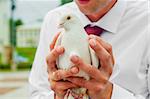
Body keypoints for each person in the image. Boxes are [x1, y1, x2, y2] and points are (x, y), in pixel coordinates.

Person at [29, 0, 150, 99]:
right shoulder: (54, 20)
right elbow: (38, 94)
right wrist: (58, 96)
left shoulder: (146, 19)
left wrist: (109, 95)